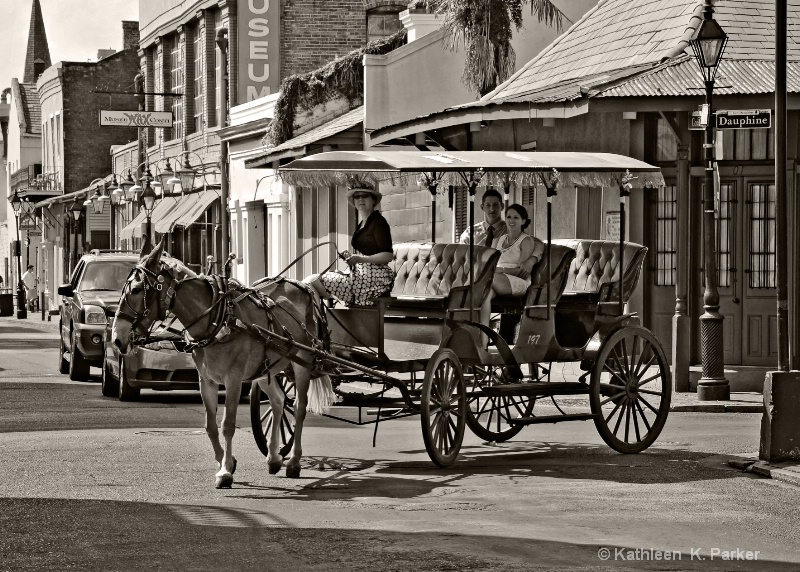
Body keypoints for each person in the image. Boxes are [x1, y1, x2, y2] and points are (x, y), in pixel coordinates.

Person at [305, 181, 395, 307]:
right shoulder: (364, 222)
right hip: (360, 274)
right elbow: (368, 250)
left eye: (365, 196)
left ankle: (316, 321)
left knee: (311, 282)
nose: (361, 199)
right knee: (309, 282)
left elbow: (388, 256)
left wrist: (360, 259)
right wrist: (352, 257)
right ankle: (324, 317)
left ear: (373, 200)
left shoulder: (378, 222)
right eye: (357, 196)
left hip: (374, 278)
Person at [480, 204, 544, 340]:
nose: (511, 220)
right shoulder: (499, 240)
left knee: (485, 281)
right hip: (497, 280)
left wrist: (499, 270)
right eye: (509, 217)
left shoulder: (526, 241)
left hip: (517, 281)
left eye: (516, 217)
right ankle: (483, 337)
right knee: (485, 295)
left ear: (523, 221)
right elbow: (490, 262)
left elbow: (521, 271)